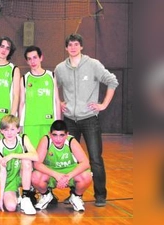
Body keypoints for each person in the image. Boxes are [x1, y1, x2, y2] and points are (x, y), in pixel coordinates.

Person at [54, 33, 119, 207]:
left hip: (90, 119)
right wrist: (59, 102)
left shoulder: (93, 65)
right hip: (69, 121)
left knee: (95, 158)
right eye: (70, 45)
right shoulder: (60, 68)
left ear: (81, 47)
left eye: (76, 44)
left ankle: (100, 195)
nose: (73, 47)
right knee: (71, 158)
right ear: (66, 48)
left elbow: (112, 82)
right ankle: (75, 195)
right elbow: (53, 87)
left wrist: (103, 104)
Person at [31, 120, 92, 212]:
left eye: (62, 135)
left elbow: (85, 163)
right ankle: (46, 195)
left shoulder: (71, 141)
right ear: (50, 134)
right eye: (55, 135)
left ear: (67, 134)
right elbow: (37, 164)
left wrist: (68, 176)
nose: (58, 139)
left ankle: (76, 196)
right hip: (51, 173)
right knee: (35, 177)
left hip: (69, 172)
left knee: (87, 176)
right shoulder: (46, 140)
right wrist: (57, 175)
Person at [0, 115, 38, 215]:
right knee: (11, 207)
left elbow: (36, 157)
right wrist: (0, 199)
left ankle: (25, 197)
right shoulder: (0, 146)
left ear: (18, 129)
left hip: (22, 174)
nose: (9, 133)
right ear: (1, 131)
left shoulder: (23, 139)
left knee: (26, 160)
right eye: (6, 130)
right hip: (9, 178)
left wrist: (12, 155)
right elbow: (3, 173)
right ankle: (16, 194)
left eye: (12, 129)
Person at [19, 45, 61, 148]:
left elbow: (56, 100)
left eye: (35, 57)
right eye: (29, 59)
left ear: (41, 58)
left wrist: (58, 123)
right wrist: (20, 123)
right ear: (27, 62)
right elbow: (22, 102)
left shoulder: (51, 76)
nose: (32, 61)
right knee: (30, 154)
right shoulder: (24, 79)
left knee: (47, 155)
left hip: (48, 122)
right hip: (30, 123)